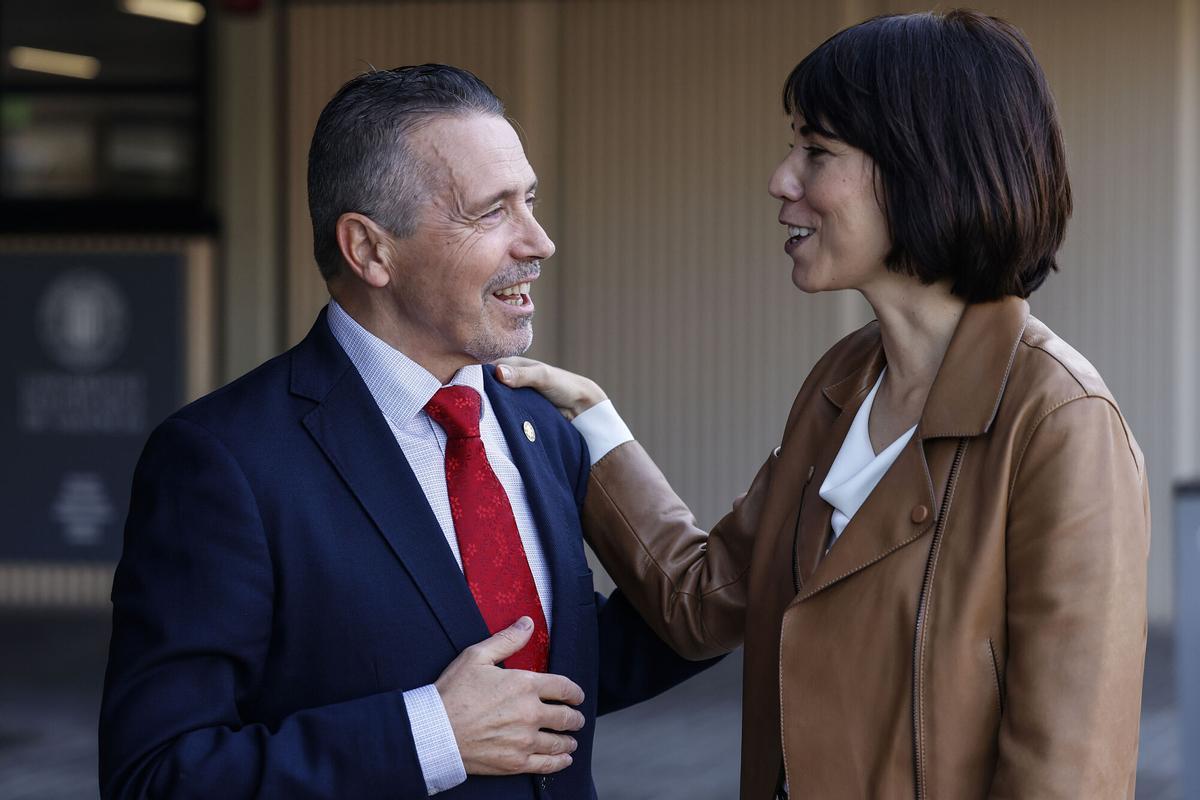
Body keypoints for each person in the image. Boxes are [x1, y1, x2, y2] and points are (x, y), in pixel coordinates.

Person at [499, 10, 1150, 798]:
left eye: (817, 150)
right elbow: (707, 600)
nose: (782, 180)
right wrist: (593, 426)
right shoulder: (842, 381)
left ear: (925, 167)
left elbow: (1066, 776)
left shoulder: (1060, 422)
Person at [99, 64, 711, 799]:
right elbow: (156, 776)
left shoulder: (541, 427)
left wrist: (761, 569)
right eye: (492, 211)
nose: (539, 242)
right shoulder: (221, 462)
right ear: (370, 250)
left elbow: (557, 677)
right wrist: (431, 736)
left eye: (531, 201)